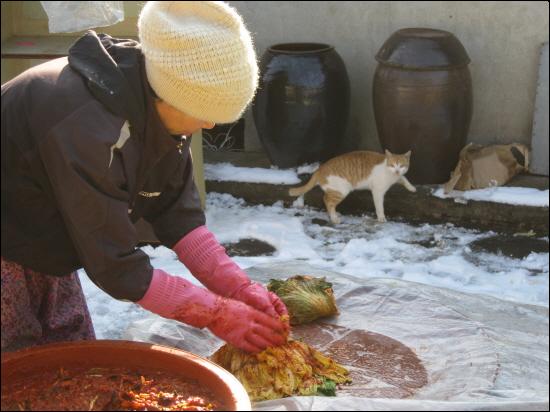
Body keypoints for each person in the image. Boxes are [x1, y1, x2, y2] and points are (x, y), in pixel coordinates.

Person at [1, 1, 289, 353]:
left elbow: (176, 215)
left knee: (70, 358)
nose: (211, 125)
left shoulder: (157, 109)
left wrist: (238, 288)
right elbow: (117, 266)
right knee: (15, 367)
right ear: (172, 94)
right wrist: (215, 314)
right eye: (205, 113)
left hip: (44, 237)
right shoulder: (87, 127)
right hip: (8, 244)